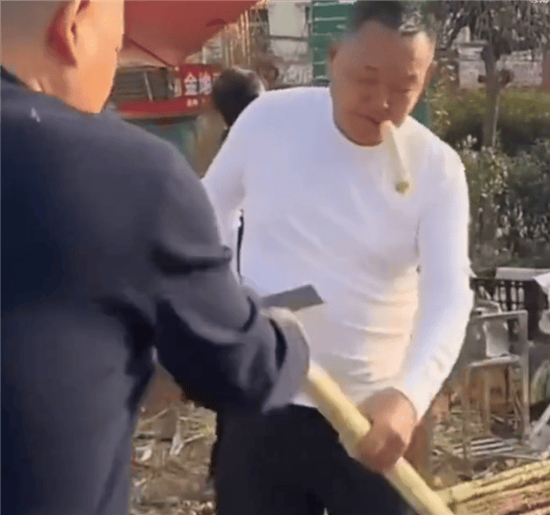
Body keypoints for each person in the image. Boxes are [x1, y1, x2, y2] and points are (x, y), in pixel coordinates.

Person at [1, 2, 310, 515]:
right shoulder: (121, 173)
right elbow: (243, 369)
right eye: (116, 46)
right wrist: (288, 338)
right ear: (73, 22)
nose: (111, 73)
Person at [202, 2, 474, 514]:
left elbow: (449, 295)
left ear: (428, 77)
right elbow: (206, 211)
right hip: (265, 395)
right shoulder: (269, 121)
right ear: (332, 57)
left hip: (371, 415)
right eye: (365, 79)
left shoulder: (437, 169)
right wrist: (227, 296)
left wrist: (409, 397)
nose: (382, 102)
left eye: (404, 87)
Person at [207, 67, 265, 482]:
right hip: (253, 286)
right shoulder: (258, 149)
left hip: (231, 287)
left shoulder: (227, 150)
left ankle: (225, 465)